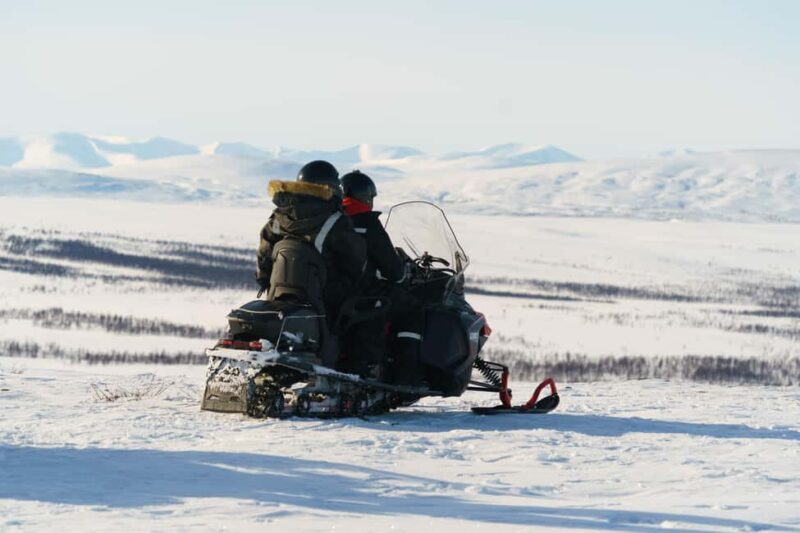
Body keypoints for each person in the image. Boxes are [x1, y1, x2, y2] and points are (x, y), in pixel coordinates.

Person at [256, 161, 367, 343]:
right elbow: (356, 262)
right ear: (330, 187)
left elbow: (264, 253)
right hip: (323, 296)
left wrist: (264, 278)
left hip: (278, 292)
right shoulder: (335, 220)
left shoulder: (280, 216)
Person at [339, 170, 411, 378]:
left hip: (333, 291)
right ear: (364, 197)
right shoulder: (368, 224)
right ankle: (402, 374)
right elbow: (394, 270)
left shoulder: (332, 219)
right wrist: (402, 274)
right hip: (362, 293)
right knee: (413, 310)